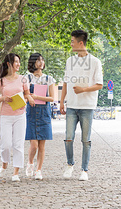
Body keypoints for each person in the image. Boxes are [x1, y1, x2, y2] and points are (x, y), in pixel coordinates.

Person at [60, 30, 103, 181]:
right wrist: (61, 102)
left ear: (81, 43)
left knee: (86, 140)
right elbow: (65, 82)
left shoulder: (95, 62)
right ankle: (70, 164)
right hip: (71, 105)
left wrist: (83, 90)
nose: (71, 44)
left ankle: (84, 170)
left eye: (72, 41)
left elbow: (99, 85)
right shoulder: (70, 61)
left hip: (87, 106)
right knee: (68, 137)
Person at [0, 53, 34, 182]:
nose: (18, 64)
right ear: (9, 64)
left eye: (19, 62)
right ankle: (5, 162)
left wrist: (29, 99)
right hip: (5, 116)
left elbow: (27, 94)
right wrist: (4, 98)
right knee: (5, 145)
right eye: (16, 62)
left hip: (20, 115)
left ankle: (16, 172)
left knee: (18, 144)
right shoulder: (0, 81)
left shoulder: (23, 79)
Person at [24, 53, 56, 180]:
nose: (41, 62)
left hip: (44, 113)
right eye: (38, 60)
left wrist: (37, 97)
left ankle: (39, 170)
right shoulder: (26, 78)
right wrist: (30, 97)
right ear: (32, 62)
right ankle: (30, 163)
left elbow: (52, 97)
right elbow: (24, 94)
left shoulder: (49, 79)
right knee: (34, 144)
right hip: (31, 112)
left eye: (42, 60)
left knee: (42, 145)